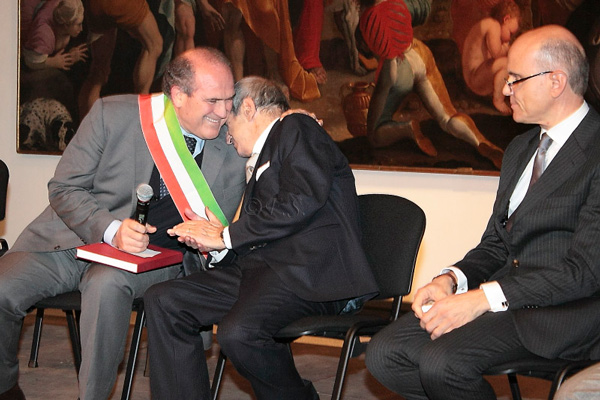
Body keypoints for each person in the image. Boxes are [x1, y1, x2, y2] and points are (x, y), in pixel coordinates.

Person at [365, 24, 600, 400]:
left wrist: (482, 299)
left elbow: (584, 272)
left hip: (565, 314)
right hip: (506, 300)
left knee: (443, 363)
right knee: (384, 354)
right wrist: (450, 280)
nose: (506, 90)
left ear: (556, 81)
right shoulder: (520, 150)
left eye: (515, 79)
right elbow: (496, 244)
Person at [0, 47, 246, 400]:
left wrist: (297, 123)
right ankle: (5, 387)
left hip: (157, 258)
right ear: (178, 95)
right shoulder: (112, 115)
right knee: (3, 287)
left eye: (228, 99)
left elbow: (274, 134)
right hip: (71, 240)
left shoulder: (234, 142)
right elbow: (64, 188)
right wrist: (111, 230)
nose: (223, 112)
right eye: (212, 101)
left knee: (106, 286)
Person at [143, 75, 379, 399]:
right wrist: (218, 247)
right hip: (261, 272)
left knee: (239, 332)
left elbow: (300, 202)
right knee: (164, 300)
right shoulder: (263, 156)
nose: (227, 138)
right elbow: (260, 234)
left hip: (307, 272)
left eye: (228, 125)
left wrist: (225, 235)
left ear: (249, 108)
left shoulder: (296, 127)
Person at [359, 0, 505, 169]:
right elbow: (423, 10)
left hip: (395, 69)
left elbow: (369, 50)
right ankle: (479, 141)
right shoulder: (400, 3)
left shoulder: (366, 16)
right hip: (419, 54)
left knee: (375, 135)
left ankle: (407, 128)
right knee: (447, 117)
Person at [77, 0, 164, 118]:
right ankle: (140, 112)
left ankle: (88, 124)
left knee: (99, 69)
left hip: (95, 5)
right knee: (154, 45)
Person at [462, 0, 521, 114]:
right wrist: (507, 48)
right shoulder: (492, 25)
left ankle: (499, 93)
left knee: (506, 64)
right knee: (507, 63)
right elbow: (496, 54)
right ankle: (498, 100)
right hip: (475, 78)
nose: (509, 38)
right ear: (506, 19)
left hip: (476, 77)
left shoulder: (489, 24)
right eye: (510, 33)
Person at [20, 0, 88, 71]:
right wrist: (52, 62)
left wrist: (69, 57)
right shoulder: (44, 35)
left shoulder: (65, 6)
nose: (81, 29)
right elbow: (30, 62)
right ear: (66, 25)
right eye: (78, 24)